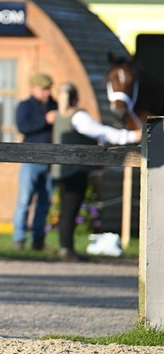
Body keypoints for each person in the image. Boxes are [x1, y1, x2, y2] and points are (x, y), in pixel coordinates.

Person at [51, 82, 139, 260]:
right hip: (75, 169)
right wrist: (130, 136)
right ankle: (67, 248)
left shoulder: (59, 116)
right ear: (76, 97)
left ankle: (65, 247)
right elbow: (101, 132)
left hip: (61, 170)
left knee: (66, 210)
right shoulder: (78, 117)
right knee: (70, 210)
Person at [12, 72, 58, 250]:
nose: (47, 92)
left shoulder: (55, 105)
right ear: (33, 88)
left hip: (51, 160)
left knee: (44, 202)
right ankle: (19, 238)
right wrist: (45, 120)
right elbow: (23, 127)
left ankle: (38, 240)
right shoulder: (25, 106)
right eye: (43, 89)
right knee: (24, 200)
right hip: (30, 160)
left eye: (48, 89)